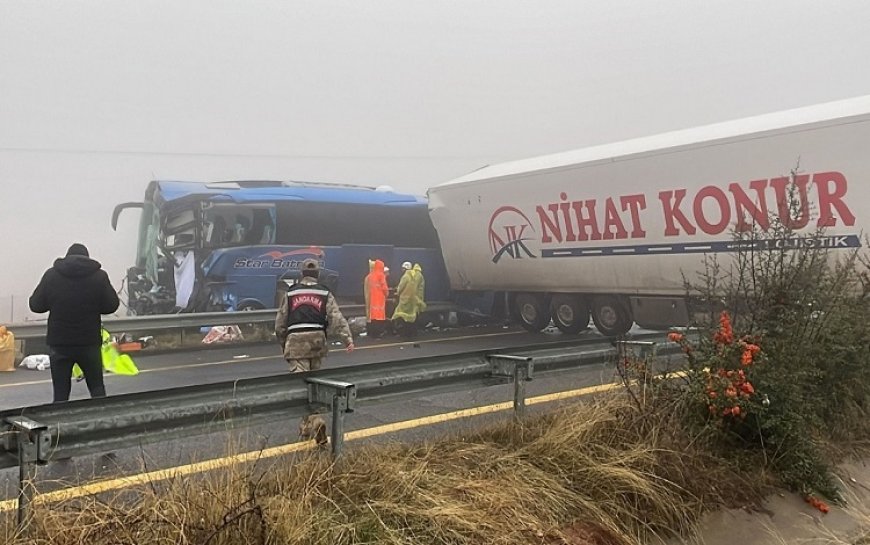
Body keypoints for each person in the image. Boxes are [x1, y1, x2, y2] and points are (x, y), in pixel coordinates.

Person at [275, 258, 354, 446]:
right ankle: (307, 427)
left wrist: (283, 342)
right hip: (318, 342)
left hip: (296, 342)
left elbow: (280, 322)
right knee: (315, 385)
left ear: (301, 274)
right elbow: (336, 317)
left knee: (303, 386)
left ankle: (316, 420)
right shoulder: (324, 292)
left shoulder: (291, 293)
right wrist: (347, 339)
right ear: (318, 274)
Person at [29, 243, 120, 403]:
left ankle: (60, 425)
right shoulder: (99, 276)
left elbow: (35, 305)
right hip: (89, 343)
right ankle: (104, 421)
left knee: (61, 394)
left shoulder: (51, 275)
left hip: (60, 344)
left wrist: (55, 302)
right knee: (97, 389)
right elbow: (111, 305)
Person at [391, 261, 424, 339]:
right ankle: (413, 333)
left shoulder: (406, 276)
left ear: (404, 269)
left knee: (403, 318)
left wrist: (397, 293)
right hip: (413, 300)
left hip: (405, 300)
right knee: (412, 317)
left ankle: (405, 334)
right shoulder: (415, 276)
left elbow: (400, 287)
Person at [364, 259, 390, 338]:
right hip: (380, 298)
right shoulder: (381, 275)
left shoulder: (370, 275)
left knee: (373, 317)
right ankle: (379, 333)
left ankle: (373, 334)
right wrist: (387, 294)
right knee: (379, 317)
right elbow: (384, 287)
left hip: (372, 299)